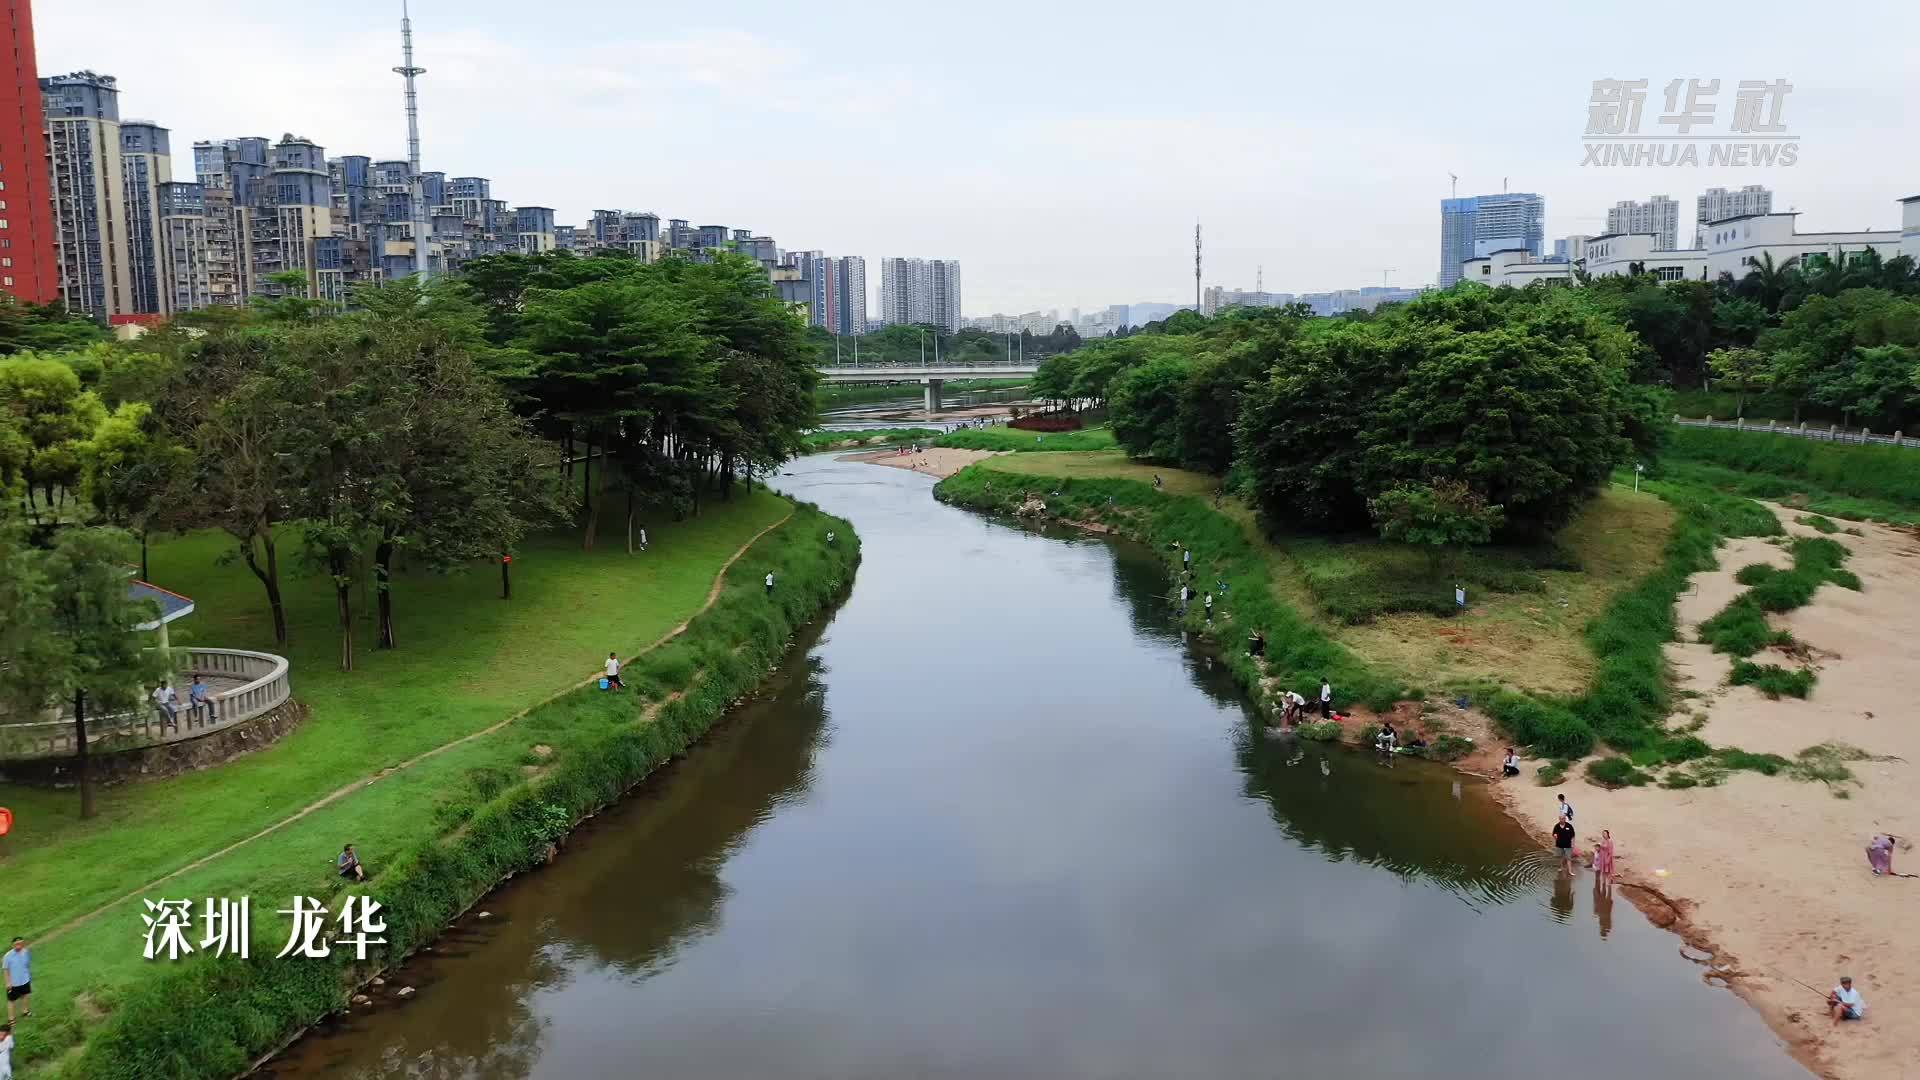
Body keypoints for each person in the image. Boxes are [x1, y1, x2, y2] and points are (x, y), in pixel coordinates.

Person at [3, 938, 28, 1022]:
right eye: (16, 944)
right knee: (11, 1001)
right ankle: (11, 1019)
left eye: (20, 943)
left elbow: (25, 965)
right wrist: (8, 983)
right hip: (13, 983)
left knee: (25, 996)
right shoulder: (7, 956)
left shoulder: (25, 952)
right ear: (13, 945)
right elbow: (6, 970)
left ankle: (25, 1012)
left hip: (24, 980)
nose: (19, 945)